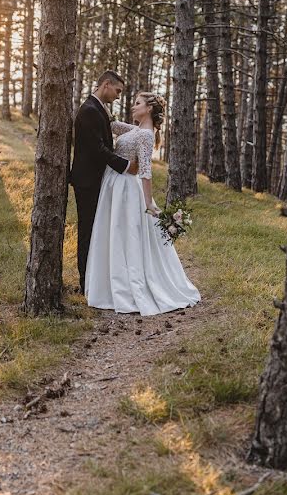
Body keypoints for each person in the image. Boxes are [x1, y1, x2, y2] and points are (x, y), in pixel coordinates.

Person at [84, 91, 201, 315]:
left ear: (148, 109)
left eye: (137, 104)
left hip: (126, 188)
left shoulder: (146, 135)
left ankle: (126, 286)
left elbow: (145, 171)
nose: (133, 107)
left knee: (123, 234)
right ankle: (109, 284)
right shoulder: (137, 129)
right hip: (115, 185)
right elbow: (114, 125)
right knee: (113, 233)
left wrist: (149, 203)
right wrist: (97, 103)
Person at [69, 70, 137, 294]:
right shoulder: (89, 110)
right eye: (117, 91)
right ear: (106, 85)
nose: (118, 96)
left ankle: (94, 280)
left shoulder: (98, 108)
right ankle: (85, 283)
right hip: (87, 181)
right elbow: (98, 149)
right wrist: (126, 166)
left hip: (97, 180)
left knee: (97, 231)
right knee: (88, 231)